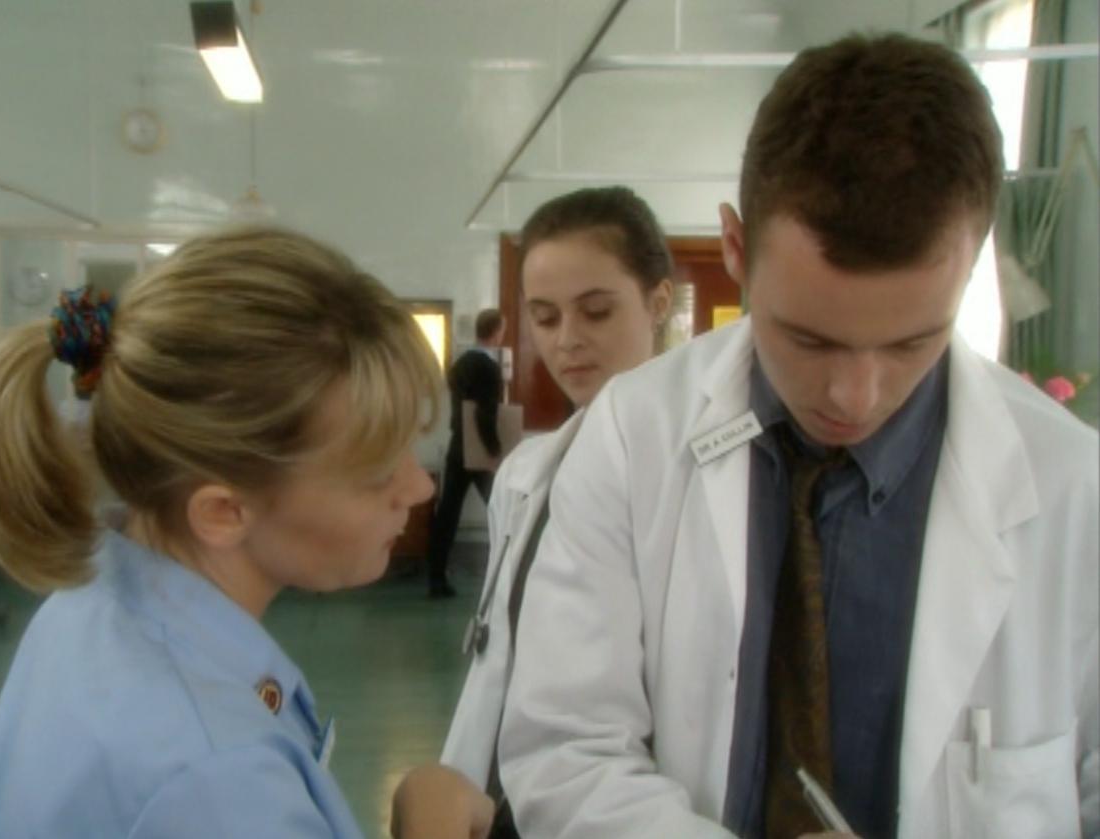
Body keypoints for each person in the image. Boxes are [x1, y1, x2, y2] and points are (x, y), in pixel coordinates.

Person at [497, 33, 1099, 839]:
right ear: (736, 247)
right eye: (809, 339)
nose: (855, 396)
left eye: (910, 341)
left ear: (972, 265)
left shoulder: (1070, 485)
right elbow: (565, 749)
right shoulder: (633, 434)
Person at [0, 227, 493, 839]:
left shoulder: (92, 597)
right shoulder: (217, 778)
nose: (419, 489)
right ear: (224, 512)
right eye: (378, 471)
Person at [439, 186, 674, 837]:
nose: (566, 341)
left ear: (658, 301)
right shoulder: (526, 472)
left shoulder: (693, 477)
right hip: (508, 796)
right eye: (543, 317)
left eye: (595, 311)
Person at [427, 308, 506, 598]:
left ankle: (436, 578)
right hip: (480, 451)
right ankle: (507, 573)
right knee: (502, 509)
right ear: (497, 331)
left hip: (457, 446)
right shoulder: (488, 368)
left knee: (448, 513)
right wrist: (495, 451)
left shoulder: (459, 364)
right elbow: (485, 413)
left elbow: (463, 411)